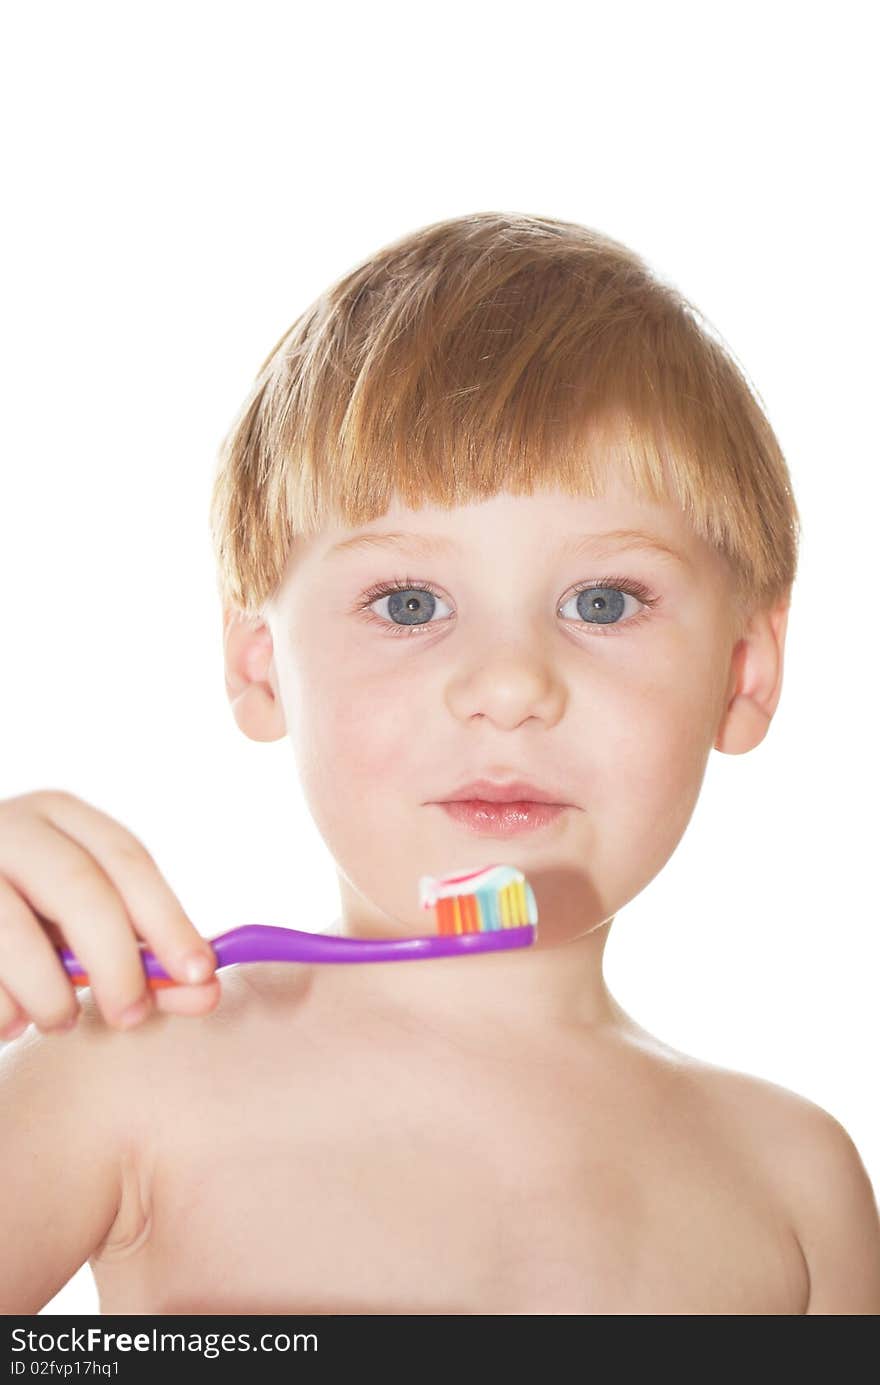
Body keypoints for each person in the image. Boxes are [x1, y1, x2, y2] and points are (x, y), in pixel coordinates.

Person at [2, 211, 879, 1315]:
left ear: (745, 668)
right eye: (408, 603)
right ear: (262, 665)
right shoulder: (121, 1074)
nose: (509, 684)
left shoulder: (798, 1184)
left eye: (602, 602)